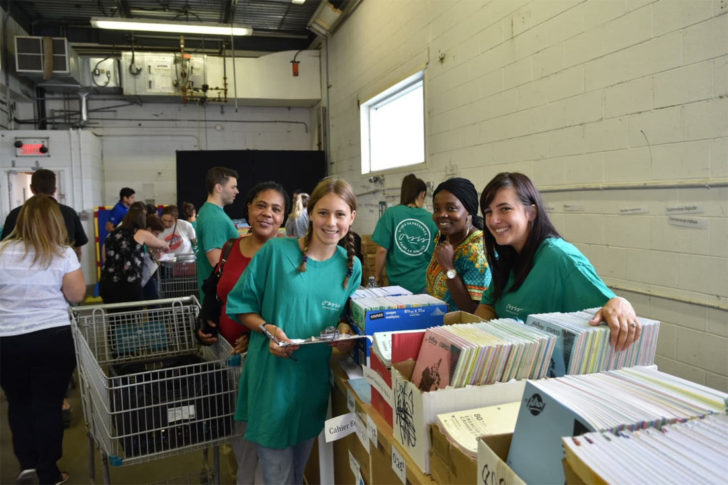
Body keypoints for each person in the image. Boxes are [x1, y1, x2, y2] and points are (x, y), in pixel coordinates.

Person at [225, 177, 362, 485]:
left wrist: (343, 332)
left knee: (297, 474)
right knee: (276, 475)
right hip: (272, 381)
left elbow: (343, 317)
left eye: (340, 214)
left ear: (352, 217)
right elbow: (241, 305)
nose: (331, 222)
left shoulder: (350, 267)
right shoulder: (276, 252)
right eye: (323, 213)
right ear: (310, 214)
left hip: (311, 384)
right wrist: (268, 329)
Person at [474, 172, 640, 352]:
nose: (494, 220)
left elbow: (609, 309)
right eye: (488, 212)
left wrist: (619, 302)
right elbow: (488, 305)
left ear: (531, 212)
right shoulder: (508, 256)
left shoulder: (560, 257)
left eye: (505, 209)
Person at [197, 181, 288, 485]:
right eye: (260, 205)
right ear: (248, 209)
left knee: (262, 436)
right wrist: (206, 317)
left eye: (276, 209)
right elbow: (216, 288)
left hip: (262, 358)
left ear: (283, 217)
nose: (267, 213)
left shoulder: (287, 255)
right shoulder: (231, 248)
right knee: (238, 432)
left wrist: (258, 333)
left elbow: (288, 305)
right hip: (226, 355)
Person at [0, 196, 86, 485]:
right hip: (52, 338)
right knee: (48, 405)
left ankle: (27, 465)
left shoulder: (1, 251)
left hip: (7, 339)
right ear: (56, 222)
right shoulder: (62, 253)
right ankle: (49, 472)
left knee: (18, 403)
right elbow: (77, 295)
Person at [426, 177, 490, 313]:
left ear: (469, 212)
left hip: (462, 324)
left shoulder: (477, 250)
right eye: (437, 209)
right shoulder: (443, 237)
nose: (442, 214)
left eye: (451, 208)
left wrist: (448, 267)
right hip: (437, 319)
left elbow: (474, 310)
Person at [1, 169, 88, 261]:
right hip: (63, 266)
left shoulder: (15, 214)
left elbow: (6, 247)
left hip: (24, 266)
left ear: (31, 188)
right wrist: (75, 265)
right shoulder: (69, 213)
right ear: (54, 190)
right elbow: (78, 248)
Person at [372, 174, 438, 292]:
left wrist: (377, 276)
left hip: (397, 285)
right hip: (424, 284)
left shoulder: (391, 214)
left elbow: (382, 250)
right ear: (423, 194)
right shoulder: (432, 219)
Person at [99, 203, 168, 303]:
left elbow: (104, 255)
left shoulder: (113, 233)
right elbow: (161, 244)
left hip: (107, 282)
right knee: (133, 312)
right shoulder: (140, 233)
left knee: (115, 312)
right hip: (128, 284)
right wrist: (165, 245)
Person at [195, 167, 240, 300]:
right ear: (219, 188)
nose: (237, 191)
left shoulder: (210, 212)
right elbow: (216, 262)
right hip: (220, 296)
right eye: (233, 187)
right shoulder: (213, 217)